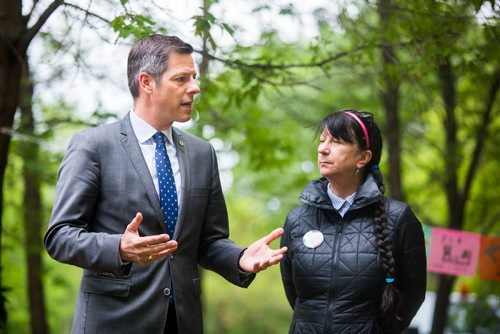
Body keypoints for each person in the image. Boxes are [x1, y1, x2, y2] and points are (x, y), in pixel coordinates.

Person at [44, 34, 287, 334]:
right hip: (112, 322)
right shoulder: (93, 146)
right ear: (147, 82)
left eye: (194, 78)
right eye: (181, 79)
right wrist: (118, 247)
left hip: (184, 322)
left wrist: (240, 257)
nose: (195, 88)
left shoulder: (203, 154)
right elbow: (60, 236)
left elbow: (208, 242)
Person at [280, 110, 426, 333]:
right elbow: (295, 294)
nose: (322, 149)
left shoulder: (398, 218)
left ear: (363, 158)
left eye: (336, 141)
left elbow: (412, 294)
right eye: (322, 140)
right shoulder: (297, 219)